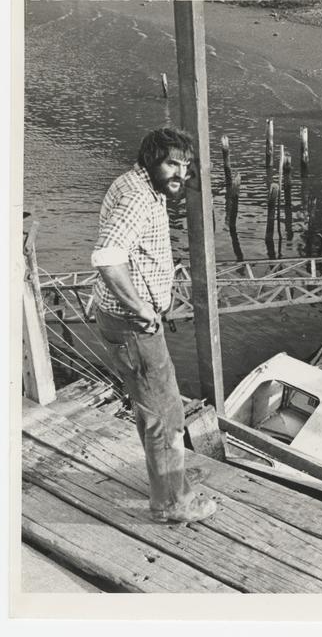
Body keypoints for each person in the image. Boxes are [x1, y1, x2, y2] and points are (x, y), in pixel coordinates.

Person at [92, 127, 217, 524]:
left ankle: (170, 479)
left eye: (185, 165)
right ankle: (170, 503)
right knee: (165, 414)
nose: (181, 173)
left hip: (117, 318)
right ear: (151, 160)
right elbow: (107, 257)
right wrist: (143, 310)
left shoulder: (136, 183)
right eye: (171, 163)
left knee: (154, 408)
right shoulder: (138, 199)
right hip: (133, 325)